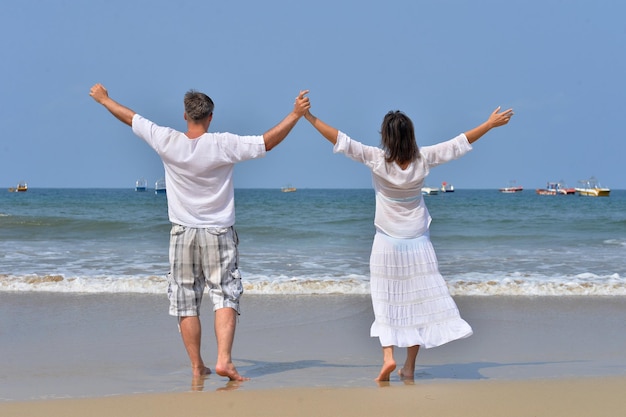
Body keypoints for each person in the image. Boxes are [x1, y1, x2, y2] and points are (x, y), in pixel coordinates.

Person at [90, 83, 310, 381]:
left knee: (185, 299)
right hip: (218, 232)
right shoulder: (222, 144)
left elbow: (131, 117)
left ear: (185, 115)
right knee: (224, 295)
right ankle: (224, 361)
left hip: (182, 234)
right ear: (210, 117)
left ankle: (197, 366)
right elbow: (266, 142)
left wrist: (104, 99)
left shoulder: (167, 140)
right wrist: (295, 114)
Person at [304, 102, 513, 381]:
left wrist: (306, 115)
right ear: (411, 135)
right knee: (416, 303)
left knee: (385, 301)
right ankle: (410, 367)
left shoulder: (376, 159)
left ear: (385, 137)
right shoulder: (423, 159)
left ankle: (389, 358)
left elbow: (341, 140)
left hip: (386, 243)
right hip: (418, 243)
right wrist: (489, 124)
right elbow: (458, 143)